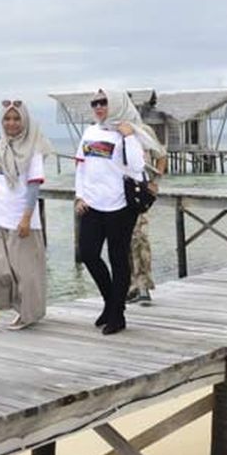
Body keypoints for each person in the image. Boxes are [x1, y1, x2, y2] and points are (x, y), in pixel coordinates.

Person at [73, 89, 155, 335]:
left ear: (117, 105)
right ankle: (112, 303)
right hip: (92, 204)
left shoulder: (129, 132)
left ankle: (116, 315)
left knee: (118, 259)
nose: (99, 107)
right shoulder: (90, 132)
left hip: (120, 206)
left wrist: (128, 137)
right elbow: (81, 165)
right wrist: (79, 195)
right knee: (88, 253)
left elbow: (137, 167)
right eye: (95, 103)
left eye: (104, 103)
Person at [0, 98, 52, 332]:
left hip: (21, 217)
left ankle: (29, 313)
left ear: (24, 120)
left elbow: (34, 185)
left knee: (25, 272)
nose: (12, 123)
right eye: (7, 118)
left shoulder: (34, 145)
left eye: (16, 118)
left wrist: (26, 217)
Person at [127, 126, 167, 305]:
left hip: (138, 192)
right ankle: (129, 286)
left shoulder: (142, 130)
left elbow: (161, 156)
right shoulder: (105, 130)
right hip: (114, 193)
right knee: (120, 241)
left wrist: (154, 181)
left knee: (139, 239)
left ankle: (143, 286)